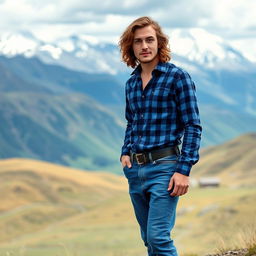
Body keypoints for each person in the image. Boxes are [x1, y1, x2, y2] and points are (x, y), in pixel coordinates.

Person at [118, 16, 202, 256]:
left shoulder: (178, 77)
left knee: (158, 238)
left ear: (159, 43)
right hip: (135, 169)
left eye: (149, 40)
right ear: (130, 46)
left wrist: (183, 170)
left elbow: (193, 126)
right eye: (138, 41)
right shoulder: (131, 83)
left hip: (165, 167)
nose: (144, 46)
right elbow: (132, 121)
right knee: (148, 239)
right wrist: (125, 152)